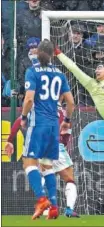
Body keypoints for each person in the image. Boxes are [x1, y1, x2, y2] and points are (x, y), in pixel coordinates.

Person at [19, 39, 75, 220]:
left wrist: (24, 117)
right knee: (47, 166)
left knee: (28, 162)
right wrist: (66, 120)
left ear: (37, 53)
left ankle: (42, 199)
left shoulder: (32, 71)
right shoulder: (60, 74)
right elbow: (71, 102)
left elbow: (28, 99)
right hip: (53, 126)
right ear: (52, 55)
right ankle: (53, 207)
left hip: (38, 123)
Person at [4, 103, 79, 218]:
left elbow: (18, 122)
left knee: (41, 174)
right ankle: (69, 209)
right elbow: (66, 136)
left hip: (39, 145)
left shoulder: (37, 109)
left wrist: (9, 140)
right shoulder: (64, 114)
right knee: (69, 180)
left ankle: (45, 206)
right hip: (56, 146)